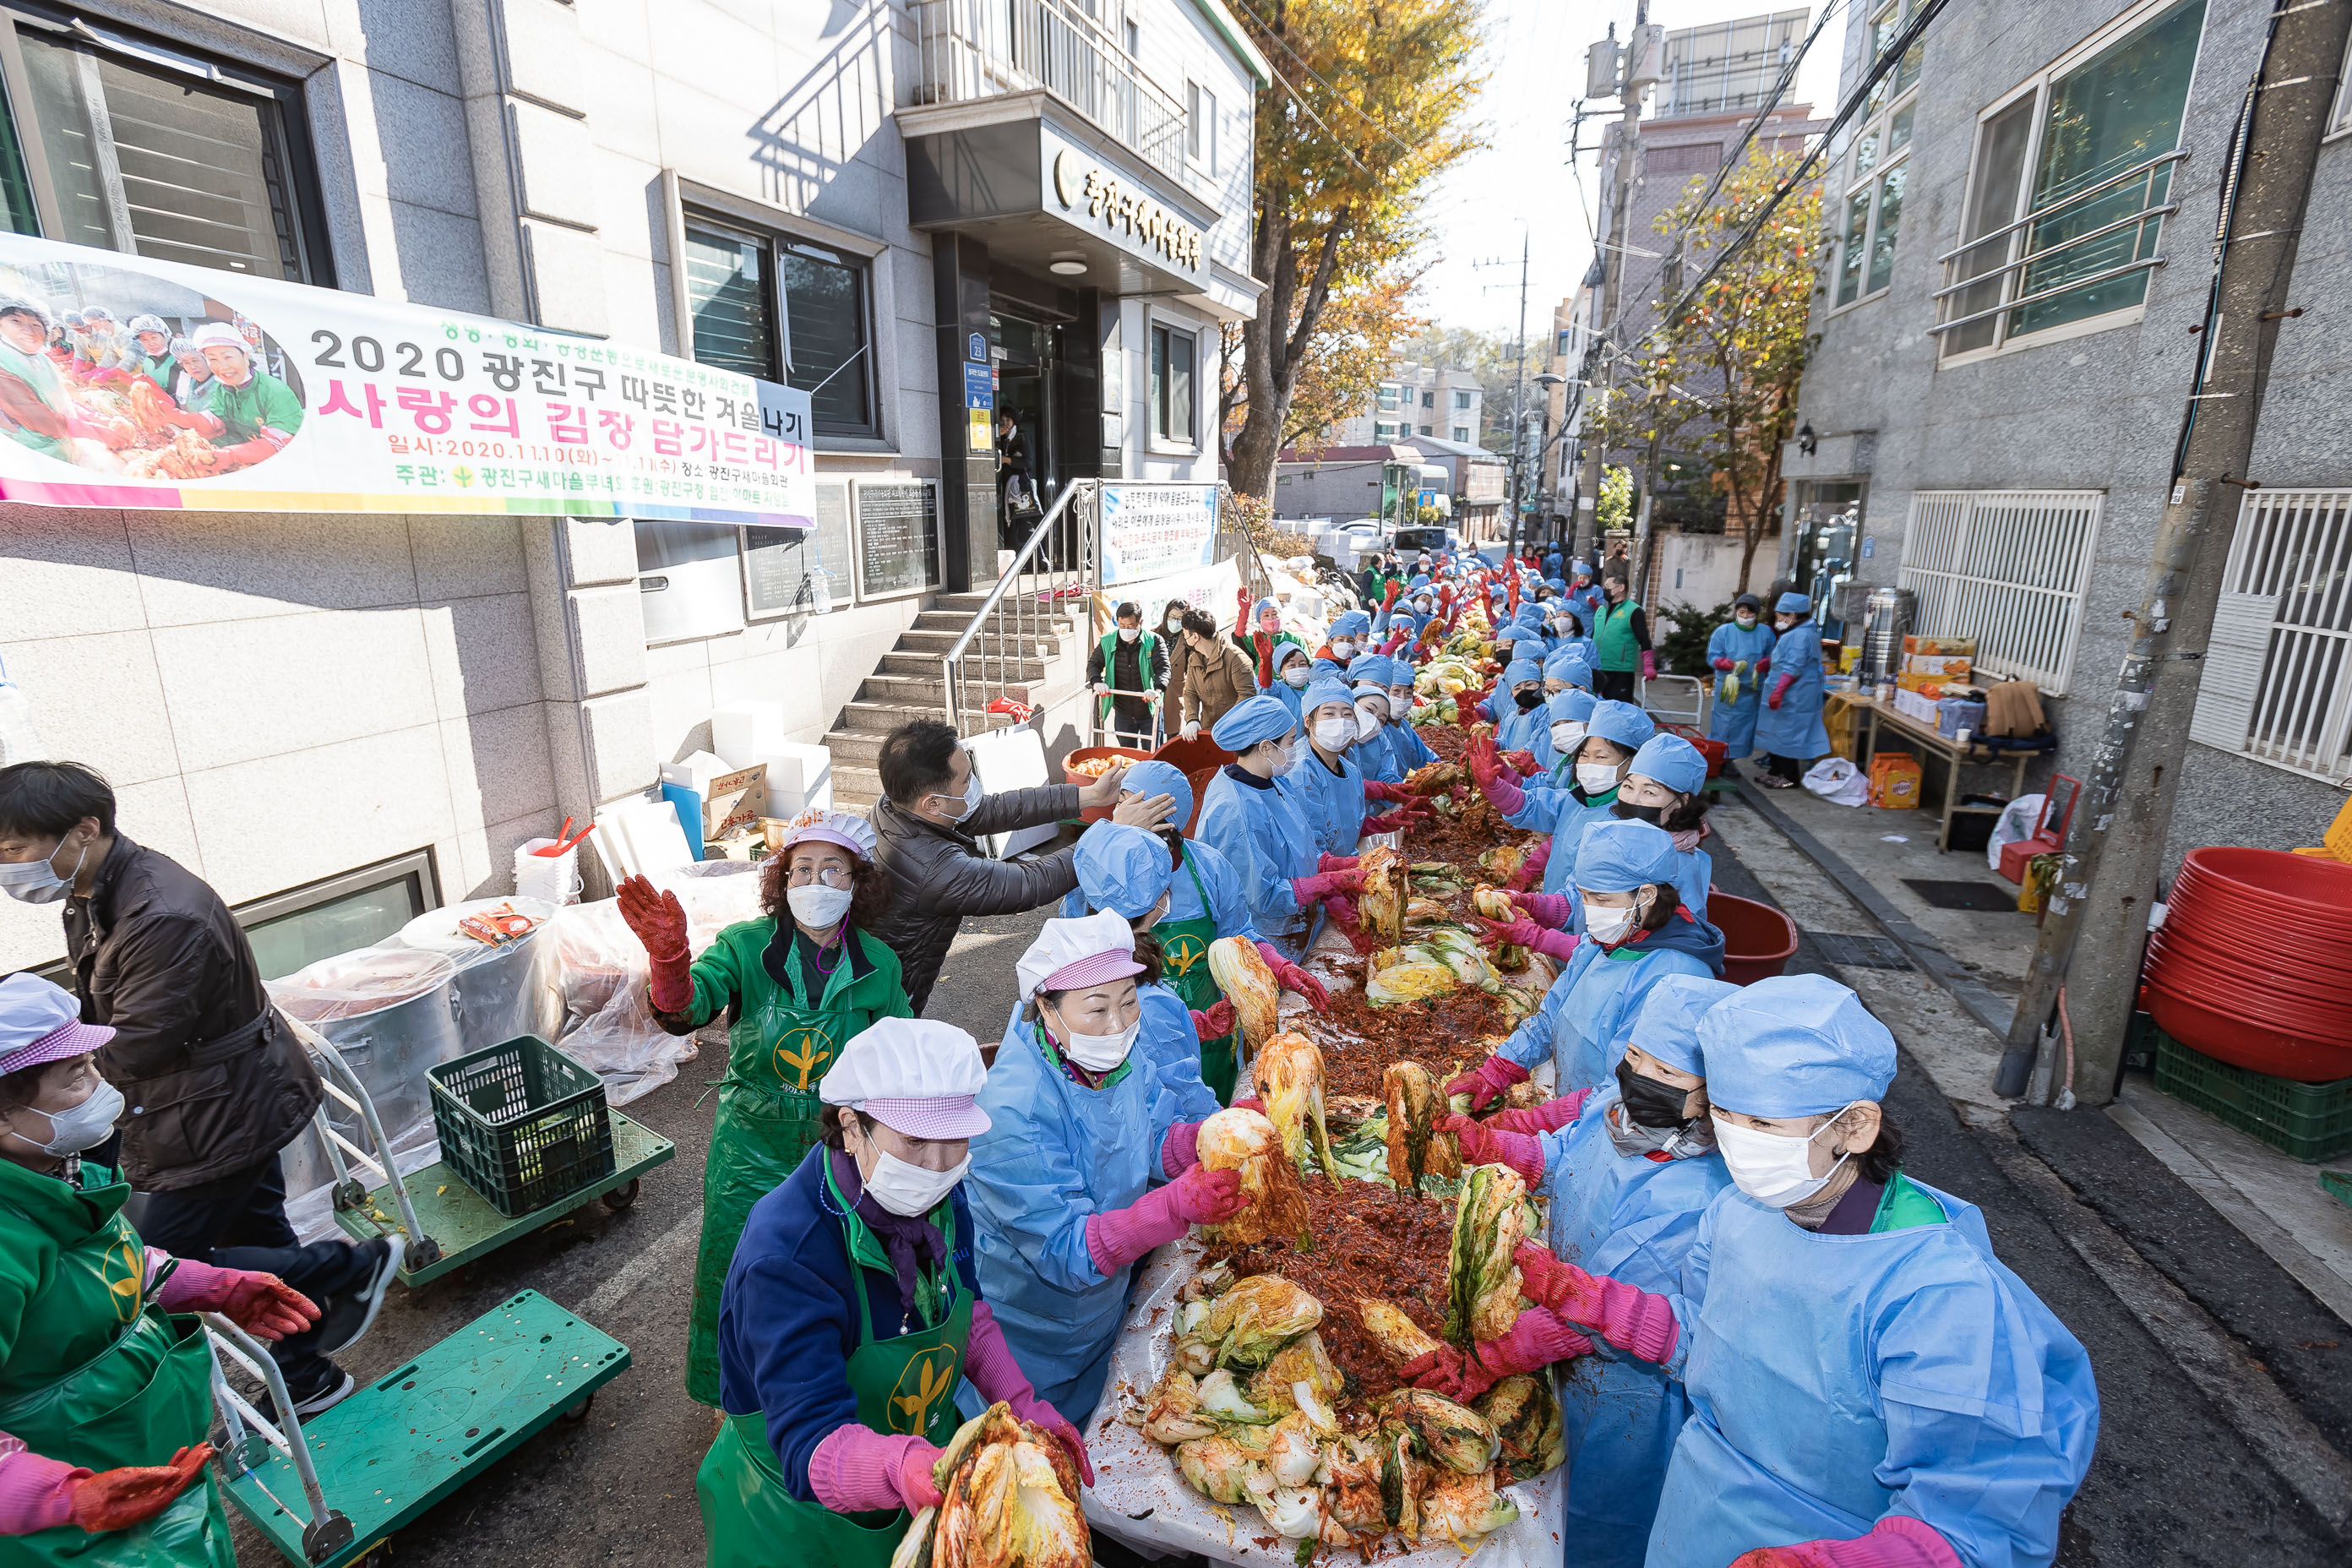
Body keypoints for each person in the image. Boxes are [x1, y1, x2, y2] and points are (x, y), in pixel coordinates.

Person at [1499, 976, 2099, 1568]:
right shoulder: (1737, 1212)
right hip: (1698, 1512)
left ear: (1855, 1127)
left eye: (1765, 1126)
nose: (1737, 1143)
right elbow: (1709, 1336)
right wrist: (1591, 1300)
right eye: (1728, 1116)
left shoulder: (1939, 1296)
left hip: (1829, 1536)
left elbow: (1977, 1516)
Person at [0, 761, 395, 1418]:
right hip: (218, 1099)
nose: (6, 867)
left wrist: (57, 1090)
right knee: (259, 1229)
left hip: (217, 1110)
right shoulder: (97, 888)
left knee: (162, 1260)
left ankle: (350, 1268)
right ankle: (305, 1375)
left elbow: (136, 1042)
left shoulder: (162, 914)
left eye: (13, 850)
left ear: (82, 831)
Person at [697, 1017, 1091, 1566]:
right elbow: (809, 1440)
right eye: (913, 1140)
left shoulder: (940, 1199)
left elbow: (967, 1312)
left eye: (955, 1138)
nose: (936, 1165)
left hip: (915, 1473)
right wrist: (904, 1466)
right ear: (852, 1126)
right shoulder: (787, 1254)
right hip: (799, 1522)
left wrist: (1023, 1406)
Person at [1411, 974, 1739, 1568]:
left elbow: (1599, 1316)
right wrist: (1484, 1144)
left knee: (1594, 1521)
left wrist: (1492, 1355)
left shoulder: (1699, 1198)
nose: (1639, 1077)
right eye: (1635, 1056)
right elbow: (1558, 1156)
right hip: (1546, 1320)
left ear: (1714, 1095)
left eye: (1666, 1072)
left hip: (1624, 1391)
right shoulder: (1617, 1117)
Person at [0, 974, 325, 1567]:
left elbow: (110, 1263)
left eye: (94, 1066)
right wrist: (58, 1497)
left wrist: (213, 1285)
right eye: (76, 1078)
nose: (103, 1088)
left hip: (147, 1460)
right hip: (65, 1532)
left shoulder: (57, 1174)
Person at [617, 810, 911, 1407]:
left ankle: (819, 1394)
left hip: (839, 1146)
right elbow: (690, 1007)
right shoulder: (744, 947)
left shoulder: (881, 965)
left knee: (835, 1269)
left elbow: (901, 1060)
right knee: (737, 1270)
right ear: (782, 880)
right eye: (801, 869)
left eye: (833, 870)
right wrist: (671, 965)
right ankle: (734, 1398)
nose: (815, 883)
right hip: (748, 1144)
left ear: (857, 882)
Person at [966, 916, 1252, 1422]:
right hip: (1034, 1334)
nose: (1118, 1025)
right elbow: (1065, 1248)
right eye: (1096, 1008)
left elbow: (1152, 1135)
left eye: (1128, 1000)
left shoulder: (1122, 1058)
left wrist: (1214, 1138)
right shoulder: (1014, 1108)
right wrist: (1170, 1207)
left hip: (1106, 1303)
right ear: (1046, 1008)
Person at [1065, 764, 1325, 1102]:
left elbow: (1240, 936)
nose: (1123, 814)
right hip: (1118, 1046)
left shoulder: (1209, 868)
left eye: (1135, 806)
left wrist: (1278, 966)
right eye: (1122, 806)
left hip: (1211, 1041)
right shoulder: (1095, 873)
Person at [867, 721, 1162, 1013]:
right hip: (892, 997)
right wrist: (1111, 835)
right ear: (932, 804)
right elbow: (1030, 883)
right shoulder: (932, 868)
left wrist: (1090, 795)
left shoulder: (894, 805)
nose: (974, 787)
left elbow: (996, 809)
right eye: (966, 781)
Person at [1451, 819, 1724, 1104]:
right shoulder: (1603, 943)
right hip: (1574, 1113)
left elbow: (1624, 1094)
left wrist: (1535, 1123)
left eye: (1601, 899)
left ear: (1645, 896)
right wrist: (1497, 1071)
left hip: (1612, 1127)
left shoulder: (1675, 978)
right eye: (1584, 896)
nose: (1589, 910)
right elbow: (1551, 1017)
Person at [1194, 694, 1368, 962]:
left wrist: (1334, 865)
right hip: (1265, 941)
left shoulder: (1275, 782)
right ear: (1266, 748)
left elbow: (1301, 846)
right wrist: (1327, 882)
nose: (1295, 749)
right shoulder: (1234, 811)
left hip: (1298, 928)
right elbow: (1265, 897)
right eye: (1289, 742)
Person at [1467, 700, 1656, 898]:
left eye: (1601, 757)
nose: (1589, 764)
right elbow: (1530, 804)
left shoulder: (1629, 823)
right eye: (1584, 756)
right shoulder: (1576, 800)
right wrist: (1494, 786)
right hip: (1556, 912)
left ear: (1632, 761)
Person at [0, 299, 133, 462]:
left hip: (61, 445)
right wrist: (96, 432)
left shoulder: (40, 359)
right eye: (16, 321)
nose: (29, 330)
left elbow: (58, 400)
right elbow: (37, 417)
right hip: (35, 455)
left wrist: (93, 417)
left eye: (36, 325)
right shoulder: (3, 364)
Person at [1611, 732, 1716, 917]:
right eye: (1628, 786)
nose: (1633, 800)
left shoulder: (1680, 866)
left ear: (1681, 802)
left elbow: (1685, 931)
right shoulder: (1612, 837)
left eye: (1649, 792)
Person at [182, 323, 302, 464]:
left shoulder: (276, 392)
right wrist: (174, 416)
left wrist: (230, 455)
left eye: (228, 357)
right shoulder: (225, 389)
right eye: (213, 359)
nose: (223, 367)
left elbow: (279, 444)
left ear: (245, 355)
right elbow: (216, 425)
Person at [1756, 591, 1832, 789]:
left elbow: (1794, 666)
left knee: (1788, 735)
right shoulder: (1795, 632)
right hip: (1787, 693)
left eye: (1782, 615)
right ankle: (1775, 771)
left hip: (1795, 695)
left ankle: (1789, 777)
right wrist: (1768, 662)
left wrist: (1779, 690)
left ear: (1793, 615)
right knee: (1776, 733)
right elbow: (1786, 658)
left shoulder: (1802, 634)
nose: (1778, 619)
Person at [1707, 594, 1778, 761]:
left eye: (1750, 613)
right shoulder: (1723, 632)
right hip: (1729, 689)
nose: (1745, 616)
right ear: (1736, 611)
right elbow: (1713, 657)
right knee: (1724, 726)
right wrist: (1724, 663)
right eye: (1742, 612)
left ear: (1757, 614)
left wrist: (1766, 663)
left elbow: (1774, 654)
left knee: (1745, 727)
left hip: (1751, 690)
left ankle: (1732, 759)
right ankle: (1720, 758)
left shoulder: (1765, 633)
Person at [1087, 601, 1167, 749]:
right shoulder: (1108, 641)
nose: (1126, 629)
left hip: (1149, 710)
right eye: (1122, 626)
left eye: (1130, 626)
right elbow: (1093, 664)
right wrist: (1097, 682)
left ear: (1140, 622)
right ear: (1117, 621)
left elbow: (1163, 669)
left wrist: (1157, 690)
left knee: (1153, 753)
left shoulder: (1154, 641)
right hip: (1123, 711)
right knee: (1126, 754)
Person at [1175, 608, 1257, 741]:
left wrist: (1226, 724)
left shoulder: (1236, 658)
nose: (1184, 639)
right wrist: (1192, 719)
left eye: (1185, 635)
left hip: (1237, 733)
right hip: (1208, 731)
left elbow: (1247, 696)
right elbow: (1190, 692)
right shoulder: (1194, 658)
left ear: (1195, 637)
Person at [1592, 572, 1654, 703]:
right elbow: (1594, 636)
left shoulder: (1634, 611)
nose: (1605, 589)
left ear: (1621, 588)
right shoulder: (1601, 610)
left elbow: (1644, 639)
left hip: (1620, 670)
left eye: (1608, 586)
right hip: (1598, 667)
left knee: (1619, 708)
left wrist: (1649, 664)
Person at [1232, 591, 1307, 691]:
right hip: (1264, 689)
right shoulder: (1257, 640)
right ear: (1260, 619)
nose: (1271, 619)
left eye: (1275, 614)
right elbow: (1239, 636)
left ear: (1281, 616)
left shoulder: (1295, 639)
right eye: (1266, 615)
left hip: (1294, 688)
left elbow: (1308, 664)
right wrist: (1244, 612)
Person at [994, 411, 1035, 546]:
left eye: (1008, 420)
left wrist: (1007, 460)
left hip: (1020, 486)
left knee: (1025, 523)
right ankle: (1014, 560)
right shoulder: (1002, 438)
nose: (1005, 424)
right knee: (1009, 524)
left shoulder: (1022, 436)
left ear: (1014, 421)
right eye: (1002, 421)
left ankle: (1042, 559)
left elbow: (1027, 462)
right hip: (1006, 487)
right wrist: (995, 438)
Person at [1266, 640, 1315, 727]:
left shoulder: (1315, 689)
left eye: (1303, 664)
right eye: (1292, 665)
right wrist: (1265, 663)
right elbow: (1265, 687)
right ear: (1280, 671)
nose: (1298, 668)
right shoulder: (1277, 690)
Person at [122, 316, 176, 392]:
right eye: (144, 339)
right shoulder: (148, 360)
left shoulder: (177, 360)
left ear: (165, 335)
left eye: (154, 337)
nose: (151, 343)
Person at [166, 337, 216, 415]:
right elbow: (178, 402)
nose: (192, 367)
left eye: (195, 360)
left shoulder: (221, 383)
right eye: (186, 363)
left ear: (206, 359)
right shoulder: (185, 380)